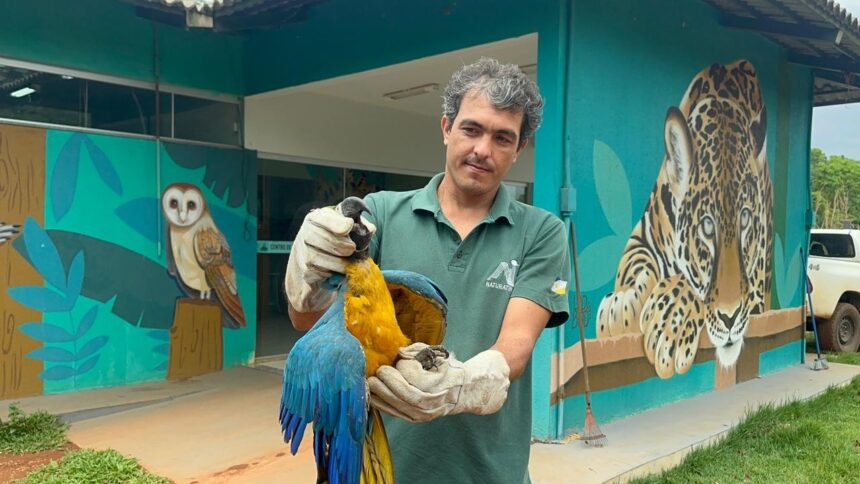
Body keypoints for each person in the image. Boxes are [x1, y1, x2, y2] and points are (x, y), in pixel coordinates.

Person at [285, 57, 570, 484]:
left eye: (502, 138)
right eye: (471, 129)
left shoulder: (542, 231)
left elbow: (517, 344)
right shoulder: (379, 215)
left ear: (519, 149)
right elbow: (309, 322)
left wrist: (463, 385)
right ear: (446, 128)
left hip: (490, 471)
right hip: (385, 467)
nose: (482, 150)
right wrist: (307, 274)